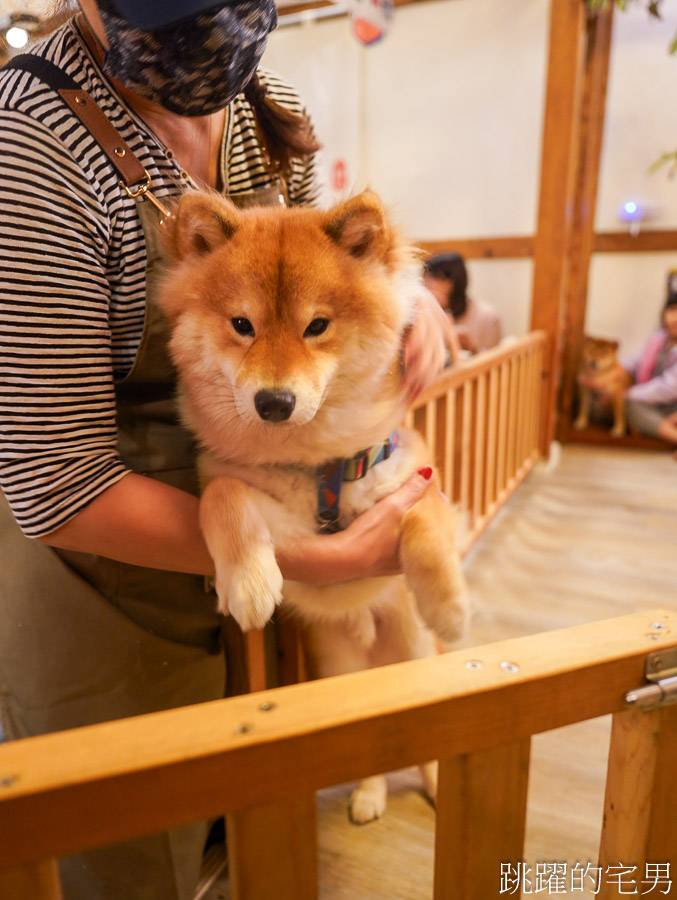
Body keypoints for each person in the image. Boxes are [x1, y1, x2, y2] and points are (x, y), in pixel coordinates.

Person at [0, 2, 454, 897]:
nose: (212, 36)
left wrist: (414, 300)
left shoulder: (260, 100)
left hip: (257, 496)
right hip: (106, 569)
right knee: (138, 855)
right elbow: (54, 484)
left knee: (256, 833)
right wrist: (313, 553)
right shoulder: (29, 144)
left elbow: (318, 264)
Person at [622, 292, 677, 447]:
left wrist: (628, 394)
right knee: (630, 407)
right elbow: (631, 362)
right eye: (672, 310)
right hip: (658, 405)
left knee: (630, 402)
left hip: (672, 402)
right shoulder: (658, 340)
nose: (676, 317)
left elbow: (669, 388)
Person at [423, 252, 502, 354]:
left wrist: (472, 348)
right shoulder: (424, 314)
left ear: (457, 281)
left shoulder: (487, 316)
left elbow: (496, 364)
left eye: (438, 277)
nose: (429, 285)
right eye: (426, 278)